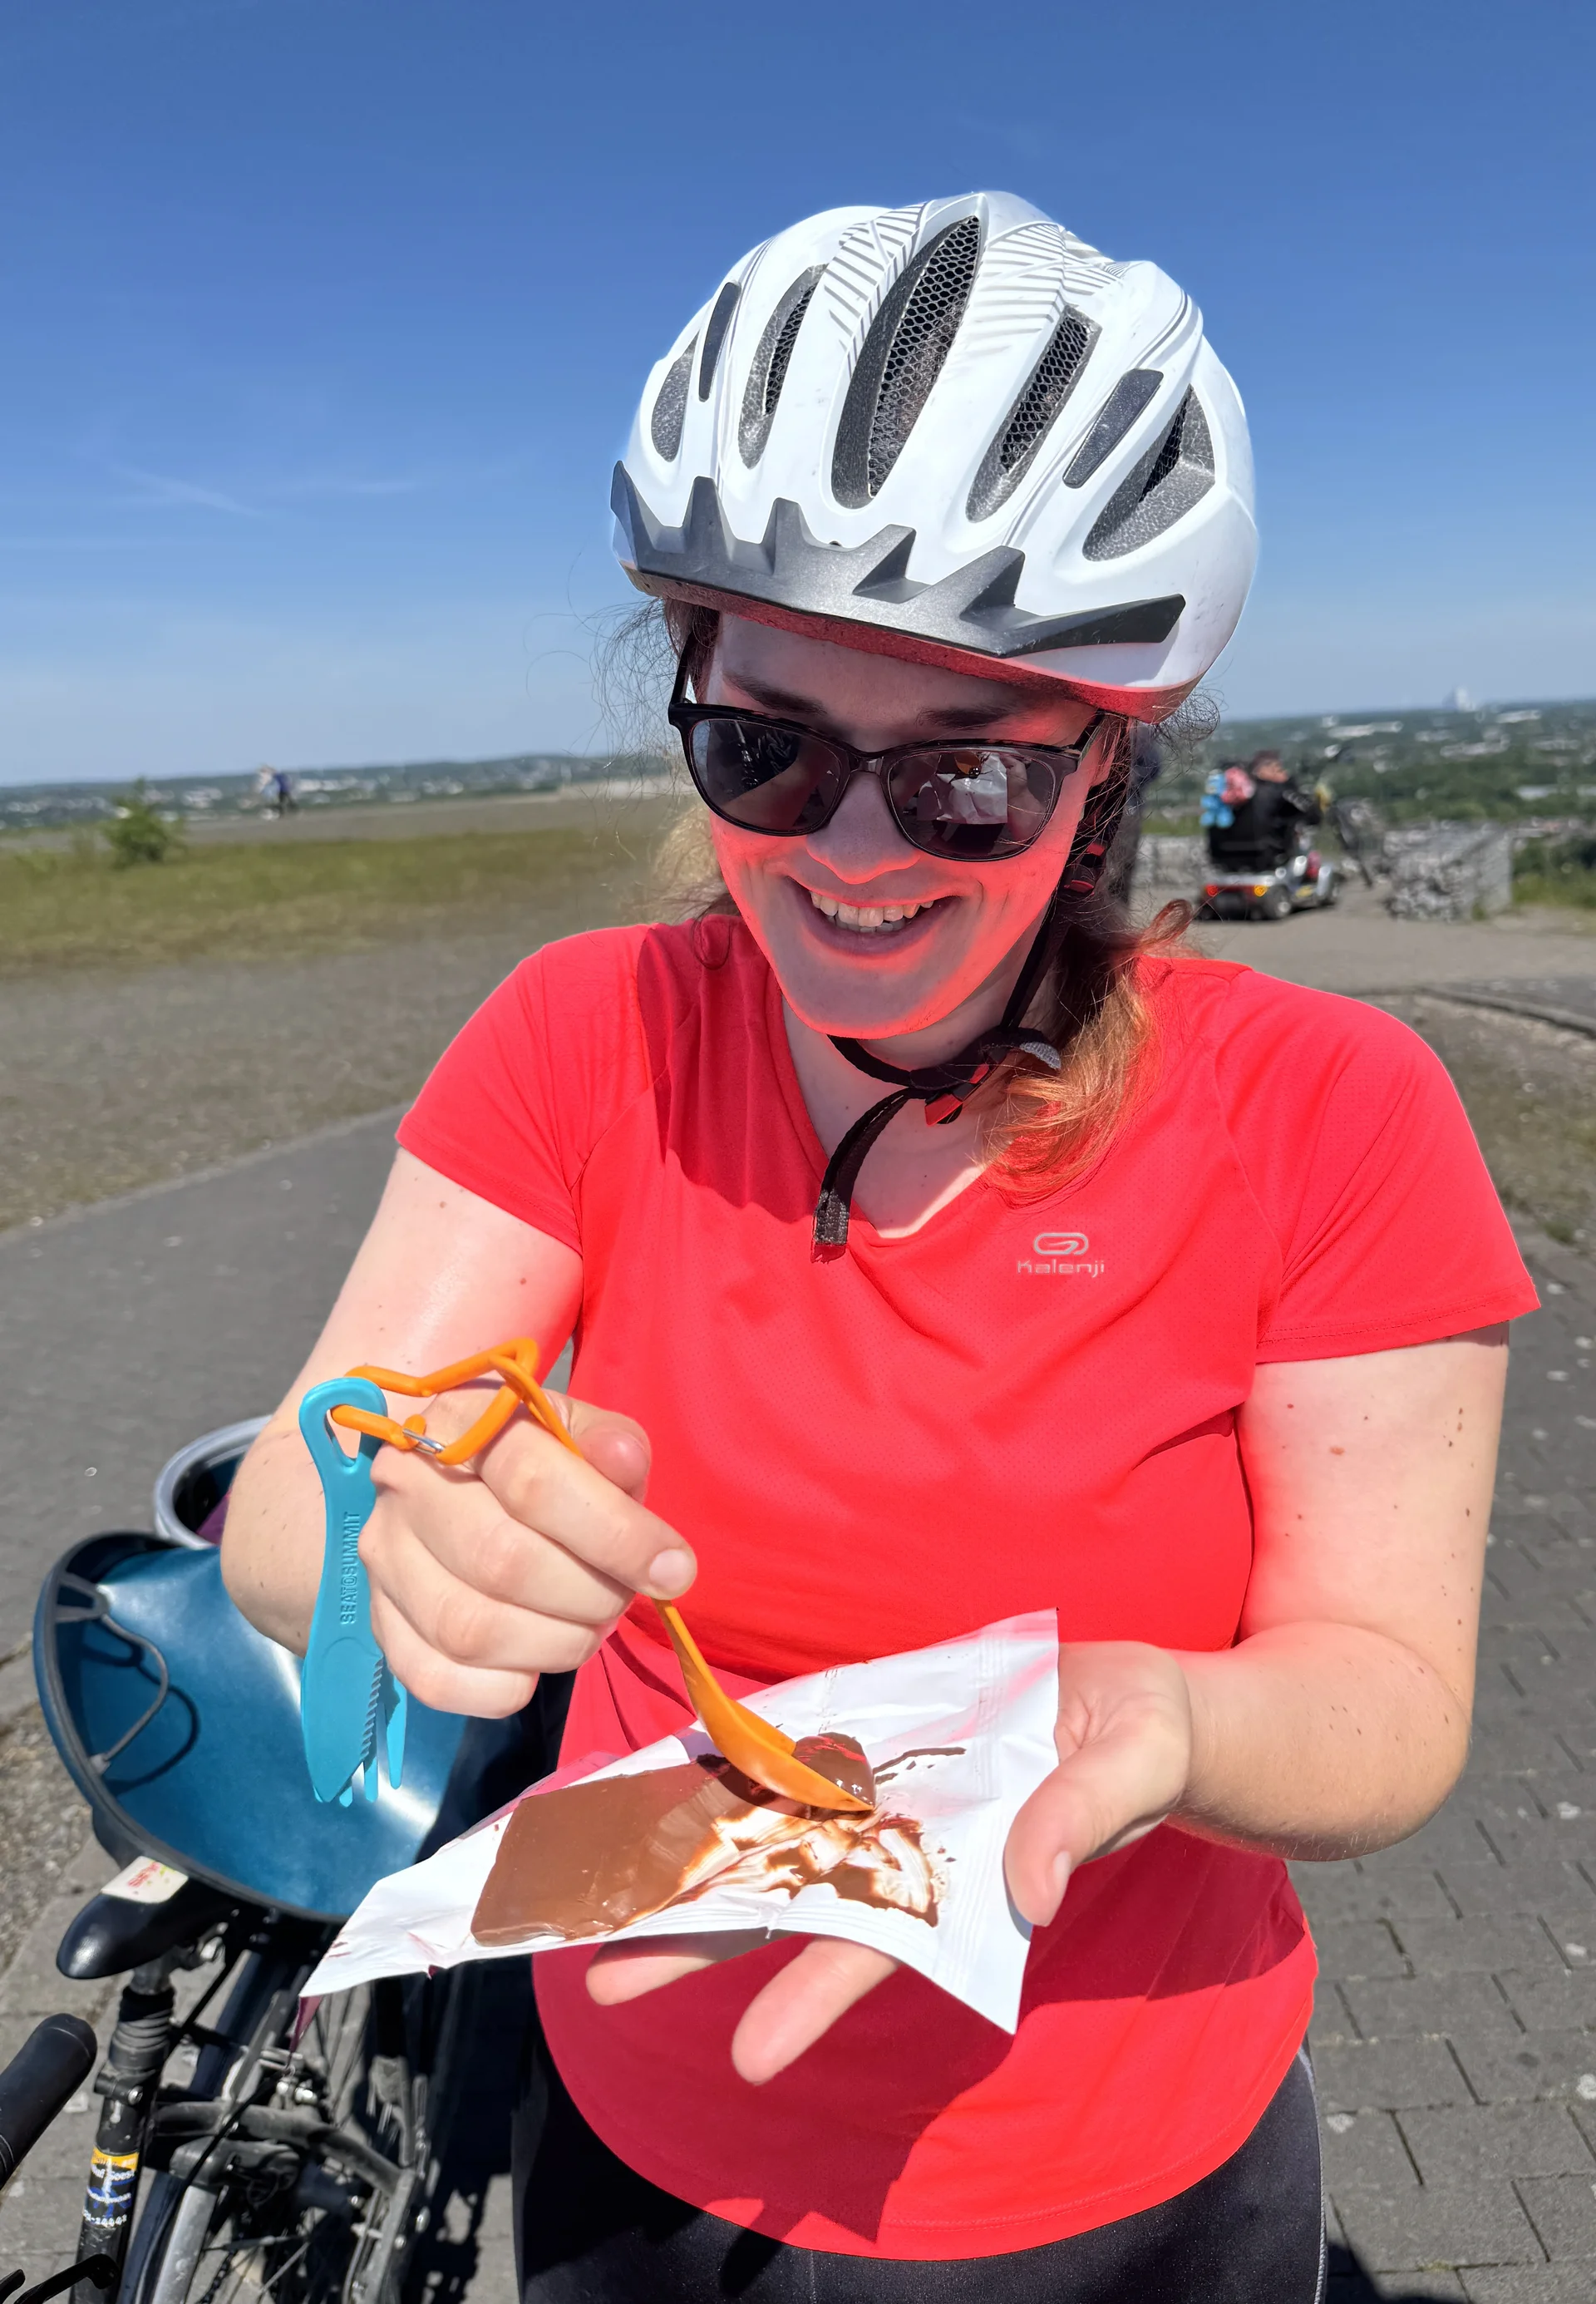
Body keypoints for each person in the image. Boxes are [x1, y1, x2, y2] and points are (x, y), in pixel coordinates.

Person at [222, 193, 1534, 2302]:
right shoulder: (588, 1035)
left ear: (1104, 772)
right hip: (639, 2122)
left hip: (1123, 2163)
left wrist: (1170, 1725)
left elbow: (1387, 1694)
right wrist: (403, 1537)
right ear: (688, 691)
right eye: (766, 747)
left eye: (967, 778)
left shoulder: (1334, 1108)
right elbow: (297, 1503)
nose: (846, 853)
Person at [1205, 751, 1321, 875]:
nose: (1283, 773)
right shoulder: (1278, 793)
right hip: (1268, 860)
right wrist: (1290, 785)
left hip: (1224, 862)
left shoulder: (1223, 795)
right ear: (1266, 769)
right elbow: (1313, 816)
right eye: (1278, 769)